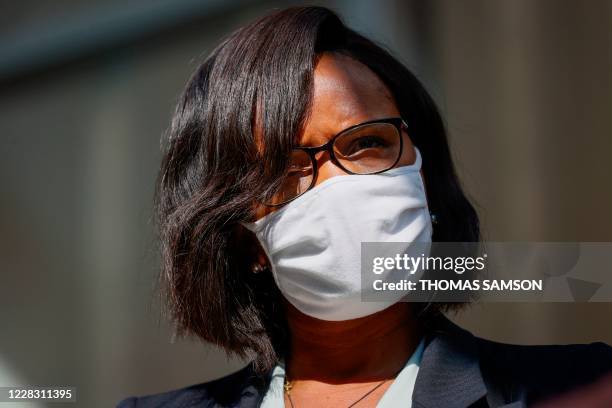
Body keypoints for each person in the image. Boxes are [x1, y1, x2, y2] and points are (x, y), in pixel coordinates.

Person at [117, 6, 612, 408]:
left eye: (365, 144)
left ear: (423, 179)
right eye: (286, 168)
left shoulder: (577, 388)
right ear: (247, 241)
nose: (337, 182)